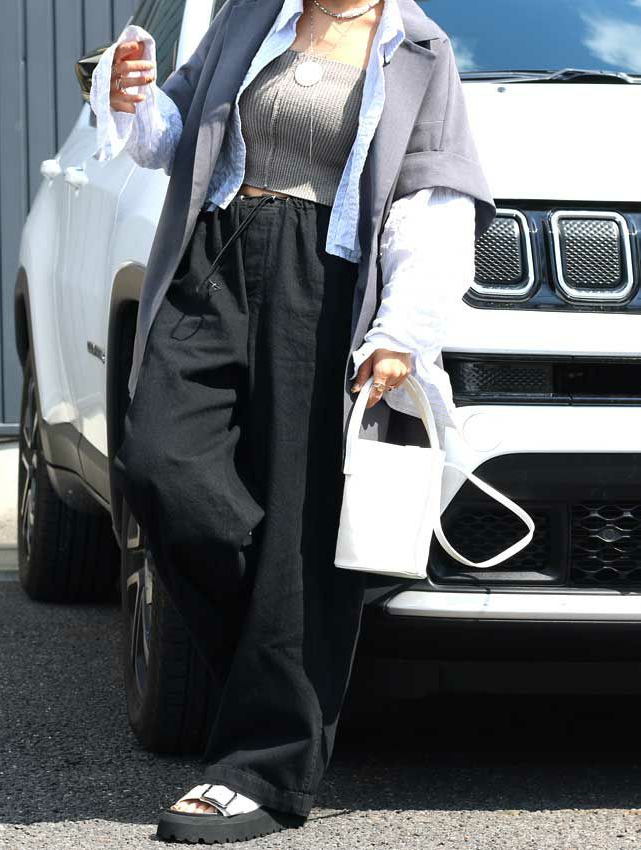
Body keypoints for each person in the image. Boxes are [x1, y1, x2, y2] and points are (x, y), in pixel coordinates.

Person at [89, 0, 496, 843]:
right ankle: (284, 667)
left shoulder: (419, 49)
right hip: (214, 260)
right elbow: (174, 137)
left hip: (324, 284)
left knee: (298, 538)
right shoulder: (250, 15)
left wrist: (400, 334)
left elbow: (435, 202)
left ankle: (262, 773)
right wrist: (133, 99)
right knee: (159, 465)